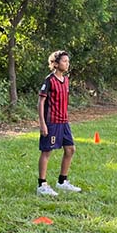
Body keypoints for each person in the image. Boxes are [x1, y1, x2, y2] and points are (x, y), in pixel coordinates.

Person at [37, 50, 81, 197]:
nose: (67, 64)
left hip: (64, 122)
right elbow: (41, 102)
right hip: (51, 122)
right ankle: (42, 185)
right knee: (47, 152)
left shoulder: (66, 80)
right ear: (55, 64)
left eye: (68, 61)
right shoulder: (49, 80)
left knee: (70, 149)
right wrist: (42, 124)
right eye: (64, 61)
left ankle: (62, 182)